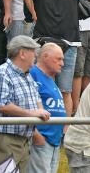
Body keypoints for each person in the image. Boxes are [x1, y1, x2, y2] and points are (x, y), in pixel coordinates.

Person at [25, 0, 90, 116]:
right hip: (44, 44)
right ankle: (41, 123)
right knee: (41, 87)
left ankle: (64, 131)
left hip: (69, 44)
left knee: (65, 90)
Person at [0, 35, 50, 172]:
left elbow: (37, 99)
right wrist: (32, 114)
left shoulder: (28, 76)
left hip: (25, 140)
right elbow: (2, 104)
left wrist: (40, 112)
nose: (36, 55)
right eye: (33, 51)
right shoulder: (2, 73)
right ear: (22, 53)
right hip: (5, 140)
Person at [28, 43, 66, 173]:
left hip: (53, 141)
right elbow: (24, 105)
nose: (62, 63)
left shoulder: (50, 79)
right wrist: (36, 135)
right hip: (41, 140)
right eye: (59, 59)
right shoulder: (33, 74)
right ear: (45, 56)